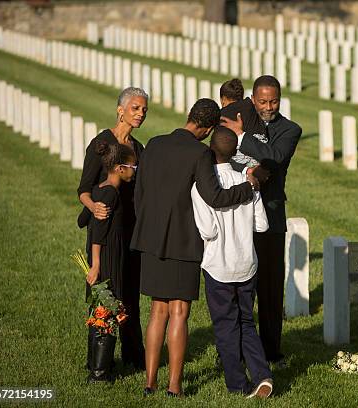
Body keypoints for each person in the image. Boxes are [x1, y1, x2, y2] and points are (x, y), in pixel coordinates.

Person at [131, 98, 261, 397]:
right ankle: (174, 385)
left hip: (150, 239)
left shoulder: (153, 143)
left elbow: (139, 192)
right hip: (183, 240)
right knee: (178, 312)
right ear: (209, 128)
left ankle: (149, 382)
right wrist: (248, 187)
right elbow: (214, 196)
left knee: (156, 312)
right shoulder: (199, 152)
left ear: (189, 116)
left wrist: (149, 226)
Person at [221, 75, 302, 366]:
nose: (269, 106)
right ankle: (233, 351)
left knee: (269, 287)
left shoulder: (290, 129)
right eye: (263, 101)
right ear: (253, 99)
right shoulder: (238, 117)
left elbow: (275, 157)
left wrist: (242, 138)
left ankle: (271, 351)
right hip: (238, 213)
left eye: (274, 101)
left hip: (270, 214)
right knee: (238, 287)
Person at [191, 126, 273, 398]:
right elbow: (261, 225)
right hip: (247, 263)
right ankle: (262, 374)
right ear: (235, 152)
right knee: (247, 322)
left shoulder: (200, 187)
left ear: (209, 151)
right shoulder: (247, 181)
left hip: (219, 266)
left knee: (226, 326)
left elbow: (208, 231)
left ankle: (237, 384)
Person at [78, 87, 148, 371]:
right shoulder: (101, 144)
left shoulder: (138, 148)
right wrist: (94, 206)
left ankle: (134, 357)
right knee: (105, 296)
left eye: (144, 109)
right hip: (105, 230)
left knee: (130, 295)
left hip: (131, 231)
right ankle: (98, 364)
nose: (141, 113)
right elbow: (83, 189)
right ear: (121, 110)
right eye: (135, 108)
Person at [85, 140, 138, 382]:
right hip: (107, 259)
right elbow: (98, 230)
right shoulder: (111, 194)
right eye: (132, 167)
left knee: (101, 309)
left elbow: (82, 218)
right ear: (119, 168)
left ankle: (95, 364)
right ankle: (99, 373)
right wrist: (96, 265)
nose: (134, 172)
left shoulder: (100, 189)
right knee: (107, 310)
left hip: (106, 256)